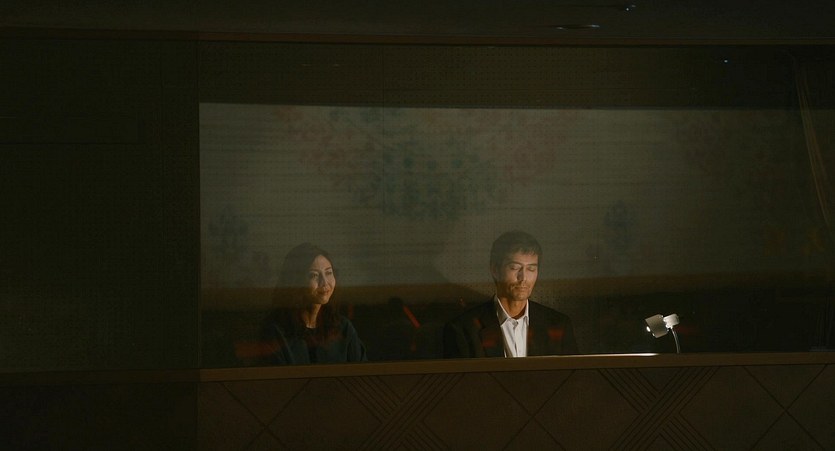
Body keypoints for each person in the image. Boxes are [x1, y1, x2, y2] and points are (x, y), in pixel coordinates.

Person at [443, 231, 578, 358]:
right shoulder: (463, 328)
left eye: (531, 269)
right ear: (495, 270)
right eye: (514, 267)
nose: (523, 277)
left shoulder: (558, 324)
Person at [260, 242, 367, 364]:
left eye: (329, 273)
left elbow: (363, 371)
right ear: (296, 281)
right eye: (314, 276)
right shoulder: (275, 331)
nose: (325, 283)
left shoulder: (343, 328)